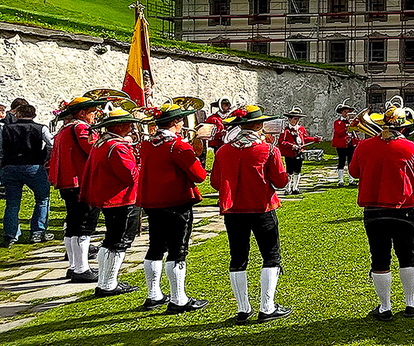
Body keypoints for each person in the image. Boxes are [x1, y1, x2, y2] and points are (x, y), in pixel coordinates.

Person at [349, 100, 414, 320]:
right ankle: (410, 303)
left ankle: (384, 307)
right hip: (403, 211)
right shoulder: (413, 148)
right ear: (404, 128)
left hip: (373, 212)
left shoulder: (363, 147)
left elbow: (354, 172)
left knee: (379, 258)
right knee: (407, 256)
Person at [211, 104, 291, 322]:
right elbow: (281, 181)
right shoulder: (268, 149)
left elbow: (216, 183)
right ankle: (267, 306)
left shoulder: (223, 151)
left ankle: (243, 309)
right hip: (261, 208)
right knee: (271, 256)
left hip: (233, 211)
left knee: (238, 258)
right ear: (258, 126)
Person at [137, 102, 210, 312]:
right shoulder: (178, 146)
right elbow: (199, 175)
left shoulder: (148, 144)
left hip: (152, 202)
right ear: (176, 124)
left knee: (156, 246)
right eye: (180, 121)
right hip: (176, 202)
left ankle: (154, 295)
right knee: (178, 250)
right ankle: (179, 299)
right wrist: (196, 151)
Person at [80, 108, 140, 296]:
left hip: (110, 198)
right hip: (121, 199)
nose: (132, 127)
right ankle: (109, 283)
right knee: (119, 242)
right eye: (129, 123)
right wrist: (143, 164)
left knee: (111, 240)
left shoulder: (102, 143)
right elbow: (131, 175)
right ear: (120, 126)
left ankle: (105, 282)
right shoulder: (118, 147)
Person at [48, 94, 107, 280]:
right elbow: (93, 151)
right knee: (84, 224)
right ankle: (82, 269)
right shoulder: (81, 128)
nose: (95, 115)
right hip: (81, 181)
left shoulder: (64, 129)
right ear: (82, 113)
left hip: (68, 181)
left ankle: (75, 266)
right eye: (92, 112)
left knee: (73, 224)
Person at [0, 101, 53, 247]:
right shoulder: (41, 128)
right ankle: (38, 231)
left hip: (10, 166)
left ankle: (10, 235)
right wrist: (46, 158)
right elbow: (51, 145)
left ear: (18, 114)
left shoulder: (5, 128)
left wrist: (1, 162)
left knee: (12, 203)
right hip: (33, 165)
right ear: (34, 115)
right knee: (42, 198)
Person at [277, 110, 320, 195]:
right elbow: (282, 142)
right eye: (295, 118)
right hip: (290, 153)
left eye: (298, 119)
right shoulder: (285, 130)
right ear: (290, 119)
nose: (297, 121)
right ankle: (288, 188)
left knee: (298, 170)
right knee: (289, 171)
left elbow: (305, 139)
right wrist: (291, 146)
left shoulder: (301, 129)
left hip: (299, 152)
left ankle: (295, 188)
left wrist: (315, 139)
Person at [332, 103, 355, 187]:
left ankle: (351, 180)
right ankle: (340, 180)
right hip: (341, 145)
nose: (346, 114)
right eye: (345, 112)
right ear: (341, 112)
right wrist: (346, 128)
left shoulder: (351, 122)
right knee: (341, 161)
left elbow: (356, 131)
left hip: (351, 144)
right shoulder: (337, 122)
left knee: (351, 162)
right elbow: (338, 133)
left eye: (348, 112)